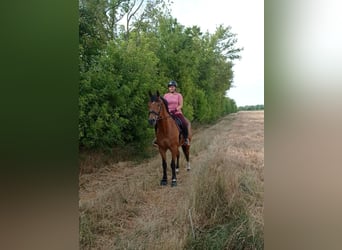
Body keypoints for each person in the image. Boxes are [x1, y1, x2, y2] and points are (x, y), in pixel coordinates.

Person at [153, 80, 190, 147]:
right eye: (170, 87)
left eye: (172, 87)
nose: (171, 88)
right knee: (157, 123)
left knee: (184, 123)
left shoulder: (179, 95)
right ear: (168, 88)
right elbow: (163, 105)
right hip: (168, 113)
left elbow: (181, 105)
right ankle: (157, 138)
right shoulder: (166, 95)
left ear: (175, 87)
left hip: (177, 113)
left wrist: (175, 109)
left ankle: (185, 138)